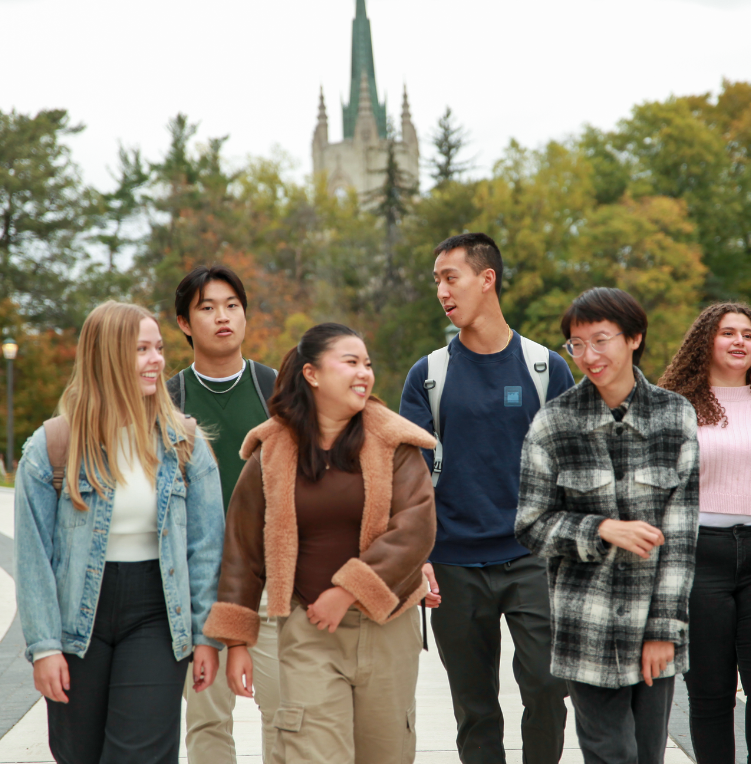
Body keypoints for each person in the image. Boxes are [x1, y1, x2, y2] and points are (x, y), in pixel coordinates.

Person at [204, 322, 437, 764]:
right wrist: (237, 643)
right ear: (312, 374)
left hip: (388, 628)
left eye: (367, 363)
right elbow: (242, 549)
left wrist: (348, 589)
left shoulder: (395, 443)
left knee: (385, 754)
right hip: (309, 628)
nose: (364, 372)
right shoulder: (269, 452)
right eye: (350, 362)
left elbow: (416, 528)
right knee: (311, 753)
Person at [14, 301, 225, 764]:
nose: (157, 360)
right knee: (80, 755)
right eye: (141, 349)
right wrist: (45, 647)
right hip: (75, 624)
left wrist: (207, 635)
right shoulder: (51, 447)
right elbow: (33, 562)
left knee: (140, 756)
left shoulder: (185, 443)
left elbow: (207, 549)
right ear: (106, 357)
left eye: (159, 348)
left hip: (157, 614)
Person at [400, 232, 575, 763]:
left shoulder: (546, 368)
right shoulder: (428, 375)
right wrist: (420, 555)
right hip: (454, 562)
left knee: (548, 688)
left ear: (486, 279)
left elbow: (574, 466)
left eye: (450, 278)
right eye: (436, 282)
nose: (442, 292)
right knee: (475, 709)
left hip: (533, 559)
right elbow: (409, 476)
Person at [515, 287, 700, 764]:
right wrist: (600, 529)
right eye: (577, 345)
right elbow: (531, 525)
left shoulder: (675, 416)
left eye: (601, 340)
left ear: (634, 337)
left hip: (650, 623)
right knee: (608, 754)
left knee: (646, 756)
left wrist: (664, 628)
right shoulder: (553, 423)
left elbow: (680, 538)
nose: (589, 356)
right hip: (586, 625)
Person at [659, 302, 751, 764]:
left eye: (749, 335)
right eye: (728, 333)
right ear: (706, 342)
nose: (740, 341)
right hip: (699, 554)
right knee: (710, 689)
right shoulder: (674, 407)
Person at [167, 264, 281, 764]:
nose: (222, 317)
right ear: (185, 324)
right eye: (207, 308)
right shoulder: (168, 400)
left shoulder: (273, 387)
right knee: (208, 720)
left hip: (271, 578)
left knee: (287, 713)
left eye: (232, 305)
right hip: (203, 587)